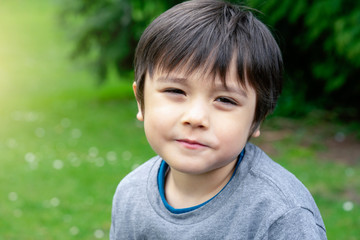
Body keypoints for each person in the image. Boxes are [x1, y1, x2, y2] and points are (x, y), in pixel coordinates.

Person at [110, 0, 327, 239]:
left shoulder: (281, 216)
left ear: (257, 119)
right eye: (176, 91)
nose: (195, 118)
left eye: (225, 100)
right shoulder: (131, 194)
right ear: (141, 100)